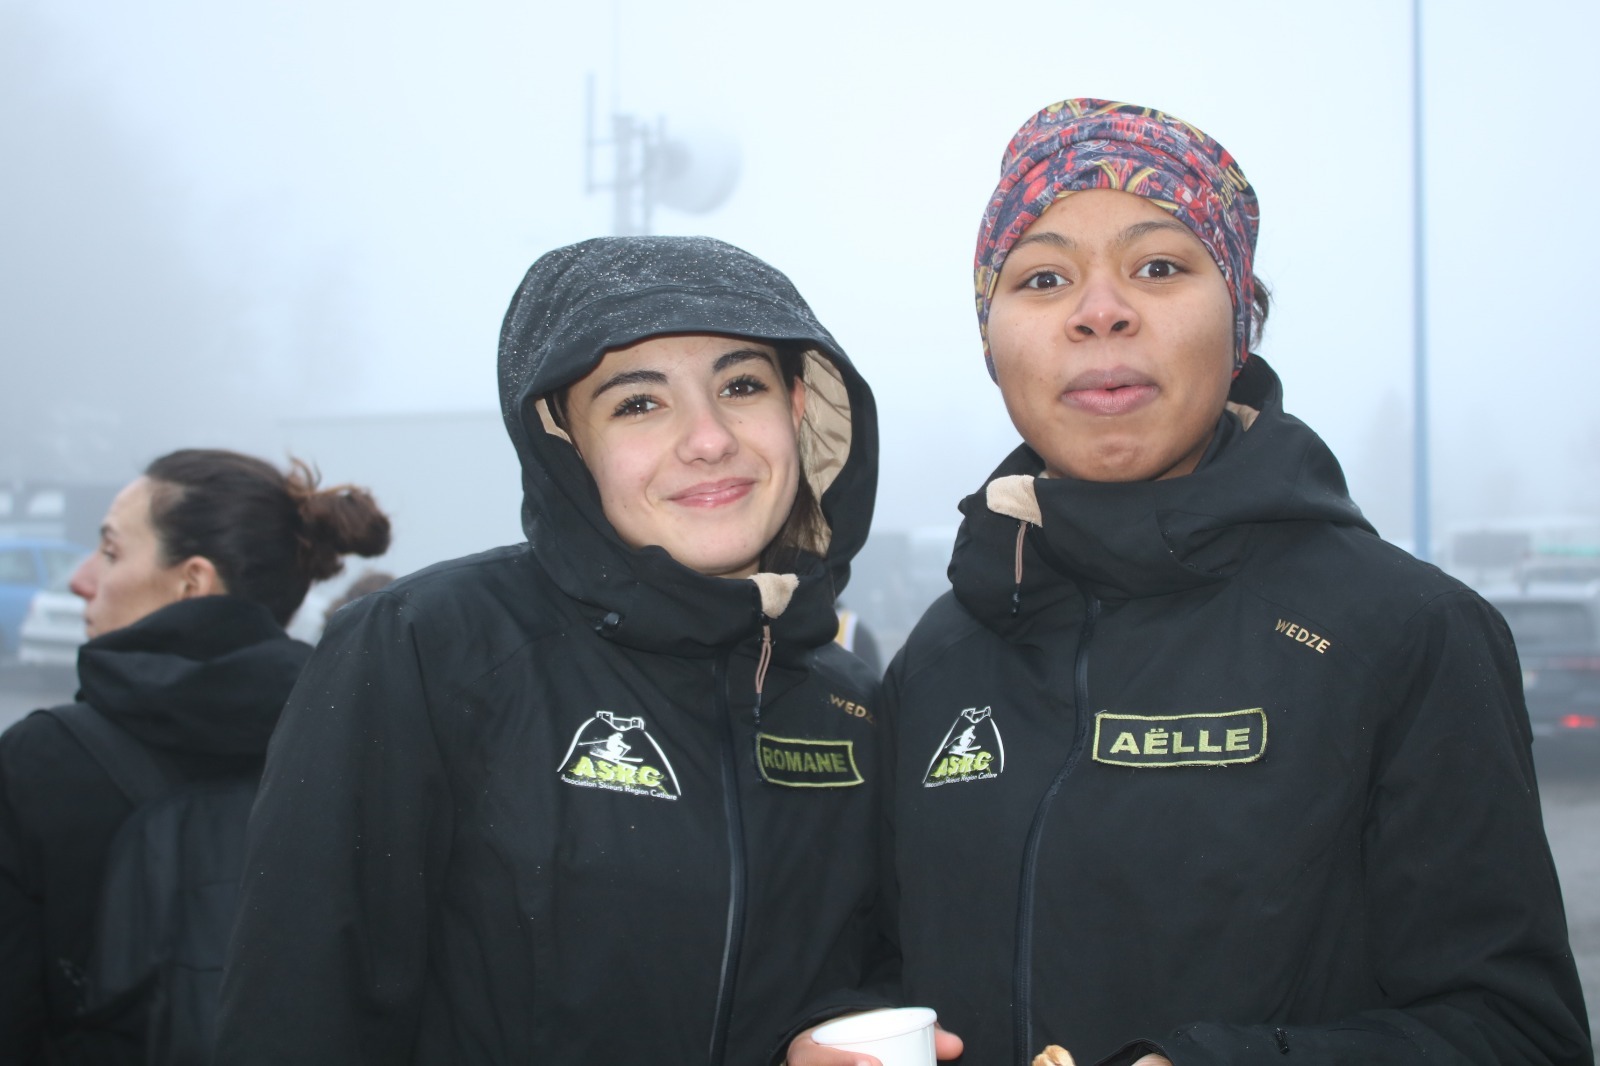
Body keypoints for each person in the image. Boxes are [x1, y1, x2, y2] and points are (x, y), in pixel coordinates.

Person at [799, 98, 1593, 1066]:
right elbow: (890, 961)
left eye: (1159, 267)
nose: (1100, 311)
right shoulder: (941, 654)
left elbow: (1517, 1034)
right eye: (1043, 278)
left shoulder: (1406, 632)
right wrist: (836, 1030)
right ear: (991, 344)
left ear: (1240, 321)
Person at [215, 235, 890, 1064]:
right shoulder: (423, 648)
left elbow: (865, 969)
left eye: (741, 386)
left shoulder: (850, 705)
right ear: (563, 441)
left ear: (800, 406)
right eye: (637, 404)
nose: (709, 438)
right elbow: (297, 1008)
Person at [0, 449, 390, 1064]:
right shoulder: (359, 749)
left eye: (110, 551)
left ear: (193, 581)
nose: (81, 578)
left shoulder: (41, 760)